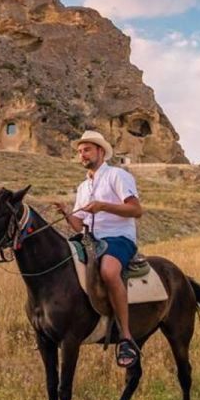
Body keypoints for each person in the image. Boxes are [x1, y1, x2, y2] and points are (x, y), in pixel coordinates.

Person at [52, 130, 143, 368]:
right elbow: (79, 224)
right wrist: (66, 213)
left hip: (118, 237)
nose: (82, 155)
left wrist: (103, 206)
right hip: (91, 238)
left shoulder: (117, 176)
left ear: (101, 152)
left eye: (87, 150)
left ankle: (126, 336)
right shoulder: (83, 187)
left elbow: (136, 210)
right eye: (80, 151)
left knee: (109, 272)